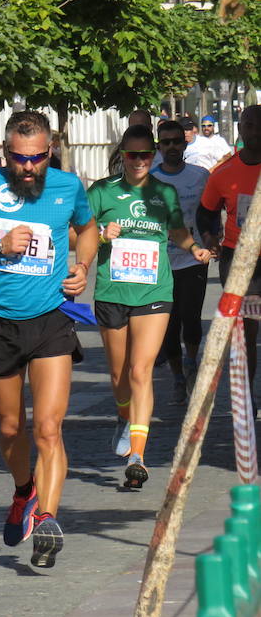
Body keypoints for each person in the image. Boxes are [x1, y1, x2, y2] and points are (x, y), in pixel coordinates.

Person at [0, 110, 99, 569]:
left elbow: (87, 230)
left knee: (49, 428)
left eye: (37, 158)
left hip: (51, 319)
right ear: (6, 152)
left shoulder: (68, 186)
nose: (28, 167)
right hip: (0, 323)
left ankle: (48, 518)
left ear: (49, 151)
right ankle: (23, 491)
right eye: (19, 158)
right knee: (12, 429)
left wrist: (82, 267)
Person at [89, 124, 211, 490]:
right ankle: (123, 416)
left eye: (146, 154)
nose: (140, 161)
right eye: (133, 155)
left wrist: (194, 249)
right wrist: (99, 233)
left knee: (141, 371)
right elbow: (79, 231)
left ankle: (138, 456)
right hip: (112, 292)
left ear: (153, 154)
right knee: (119, 377)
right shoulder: (101, 191)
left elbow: (177, 230)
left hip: (154, 290)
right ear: (122, 155)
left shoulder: (164, 193)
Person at [197, 104, 261, 412]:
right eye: (249, 125)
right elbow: (205, 213)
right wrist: (210, 237)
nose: (255, 131)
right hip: (239, 260)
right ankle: (246, 400)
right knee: (246, 330)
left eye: (259, 125)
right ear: (240, 130)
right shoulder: (224, 173)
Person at [150, 120, 211, 405]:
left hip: (194, 257)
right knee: (169, 325)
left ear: (185, 144)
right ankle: (177, 376)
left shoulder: (200, 176)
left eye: (177, 141)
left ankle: (191, 360)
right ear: (159, 147)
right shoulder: (149, 178)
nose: (172, 146)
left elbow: (210, 211)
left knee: (191, 318)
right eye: (166, 142)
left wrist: (212, 237)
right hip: (162, 262)